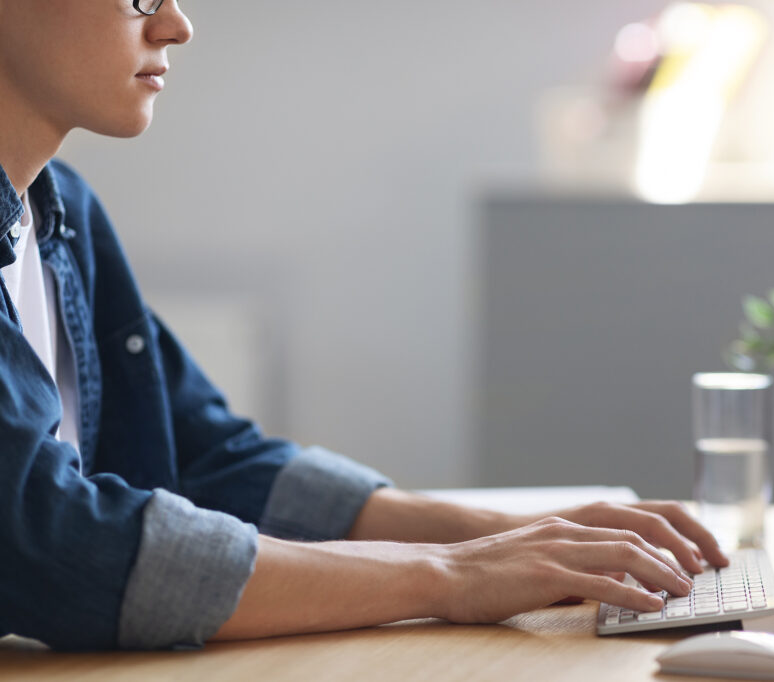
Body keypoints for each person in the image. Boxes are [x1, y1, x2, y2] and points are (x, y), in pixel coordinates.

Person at [0, 0, 727, 651]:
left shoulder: (65, 211)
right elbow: (49, 541)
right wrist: (449, 575)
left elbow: (204, 456)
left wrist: (512, 538)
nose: (176, 25)